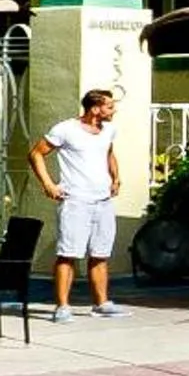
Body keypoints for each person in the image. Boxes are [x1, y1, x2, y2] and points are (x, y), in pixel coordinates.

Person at [33, 87, 128, 321]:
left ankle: (101, 303)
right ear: (95, 109)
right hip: (76, 201)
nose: (113, 110)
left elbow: (109, 153)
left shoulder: (109, 130)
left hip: (103, 200)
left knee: (100, 253)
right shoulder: (66, 130)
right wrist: (48, 184)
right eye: (109, 106)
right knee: (68, 253)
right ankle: (62, 307)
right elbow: (36, 154)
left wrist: (116, 178)